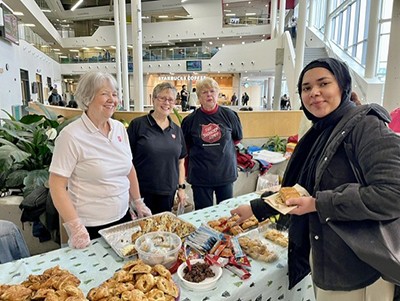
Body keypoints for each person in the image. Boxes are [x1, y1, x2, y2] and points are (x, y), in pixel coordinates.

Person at [231, 58, 400, 300]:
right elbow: (301, 191)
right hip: (328, 258)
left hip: (360, 268)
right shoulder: (321, 131)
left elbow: (393, 194)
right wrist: (256, 208)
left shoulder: (366, 127)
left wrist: (319, 204)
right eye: (306, 88)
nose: (314, 93)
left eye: (324, 84)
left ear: (342, 86)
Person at [49, 71, 151, 249]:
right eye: (105, 94)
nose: (112, 99)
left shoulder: (119, 128)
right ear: (87, 98)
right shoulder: (71, 135)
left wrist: (138, 202)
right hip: (90, 226)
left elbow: (129, 168)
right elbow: (57, 185)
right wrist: (75, 227)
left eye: (114, 94)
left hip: (123, 218)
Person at [181, 77, 243, 210]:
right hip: (200, 177)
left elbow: (237, 139)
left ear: (217, 94)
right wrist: (185, 173)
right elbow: (186, 149)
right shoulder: (189, 121)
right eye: (204, 92)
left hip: (225, 174)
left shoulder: (230, 115)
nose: (209, 94)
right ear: (198, 97)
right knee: (203, 214)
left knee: (226, 213)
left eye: (212, 91)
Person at [127, 82, 187, 215]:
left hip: (167, 193)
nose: (166, 102)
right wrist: (130, 192)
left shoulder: (176, 130)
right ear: (153, 99)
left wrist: (181, 188)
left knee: (161, 231)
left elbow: (180, 161)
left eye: (170, 99)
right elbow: (126, 161)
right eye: (162, 98)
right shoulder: (138, 125)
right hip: (141, 192)